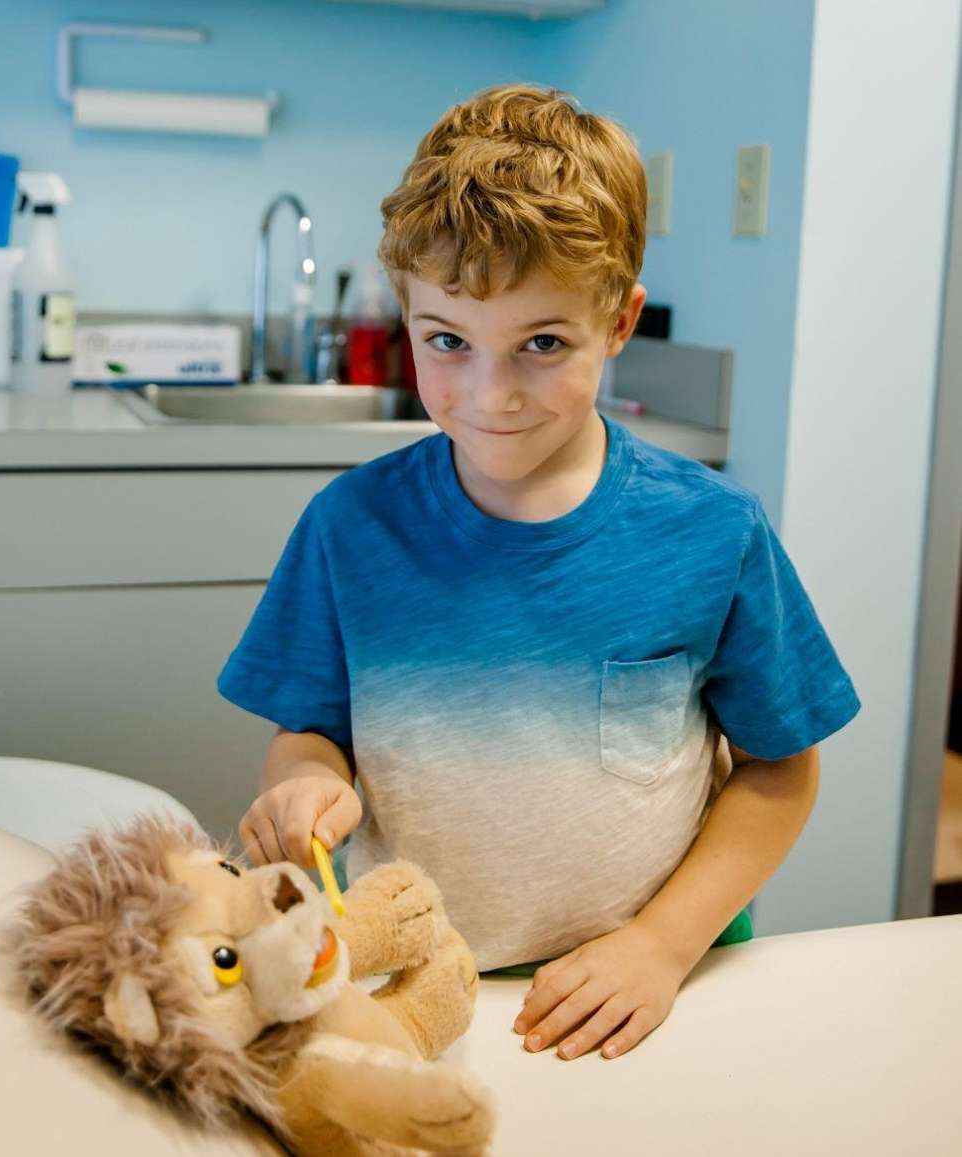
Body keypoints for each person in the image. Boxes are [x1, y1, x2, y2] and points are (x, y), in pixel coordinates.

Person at [218, 83, 860, 1064]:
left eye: (542, 344)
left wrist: (658, 944)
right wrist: (303, 788)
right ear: (406, 316)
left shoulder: (711, 531)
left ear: (618, 320)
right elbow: (308, 732)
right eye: (447, 341)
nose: (489, 396)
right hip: (412, 989)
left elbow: (781, 766)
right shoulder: (348, 528)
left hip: (636, 998)